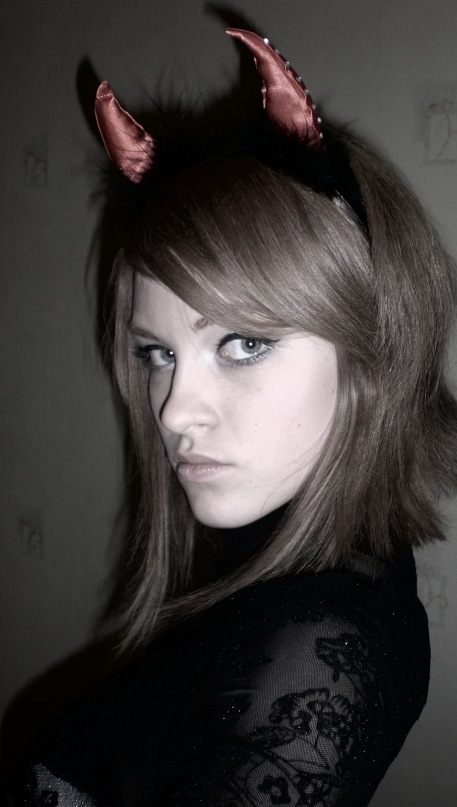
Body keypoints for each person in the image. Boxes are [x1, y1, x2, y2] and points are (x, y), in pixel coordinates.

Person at [21, 28, 457, 806]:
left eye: (244, 343)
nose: (174, 410)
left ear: (372, 350)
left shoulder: (322, 651)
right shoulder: (269, 571)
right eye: (158, 353)